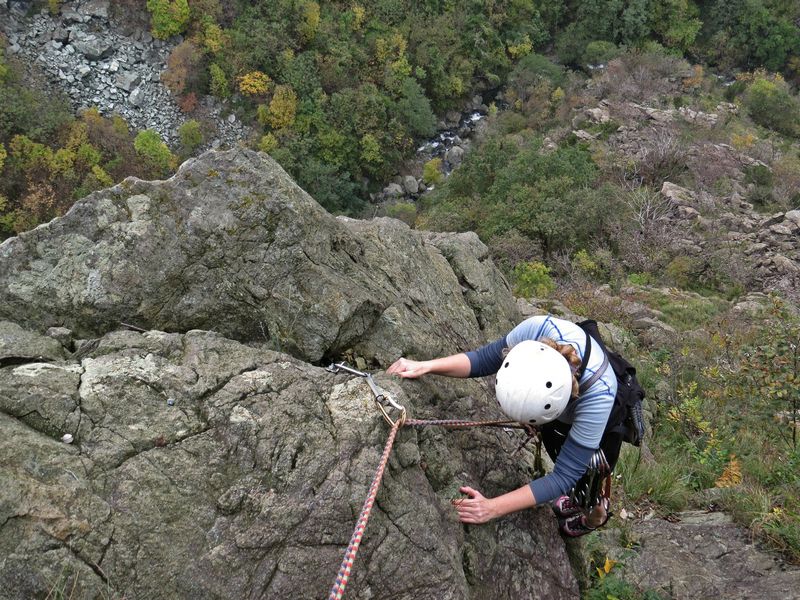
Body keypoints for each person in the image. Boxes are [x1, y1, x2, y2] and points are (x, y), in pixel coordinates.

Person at [387, 314, 621, 536]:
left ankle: (594, 517)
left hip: (604, 423)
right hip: (558, 413)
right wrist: (426, 366)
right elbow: (482, 360)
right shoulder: (535, 330)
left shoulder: (598, 398)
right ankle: (572, 500)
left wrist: (492, 508)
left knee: (591, 476)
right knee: (557, 451)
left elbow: (564, 476)